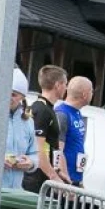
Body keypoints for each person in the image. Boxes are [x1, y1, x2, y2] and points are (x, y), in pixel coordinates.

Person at [0, 68, 38, 190]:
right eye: (5, 91)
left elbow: (34, 154)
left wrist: (31, 163)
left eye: (13, 94)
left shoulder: (28, 121)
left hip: (14, 193)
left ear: (22, 97)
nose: (8, 97)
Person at [21, 65, 68, 194]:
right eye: (65, 84)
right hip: (36, 179)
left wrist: (57, 172)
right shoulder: (42, 110)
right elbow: (38, 148)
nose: (66, 88)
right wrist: (54, 177)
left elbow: (51, 145)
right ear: (58, 85)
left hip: (43, 175)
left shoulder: (46, 108)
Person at [54, 76, 93, 187]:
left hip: (75, 178)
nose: (92, 94)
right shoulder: (62, 114)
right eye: (91, 91)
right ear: (85, 94)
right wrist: (66, 181)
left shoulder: (77, 113)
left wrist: (79, 180)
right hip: (65, 181)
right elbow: (58, 149)